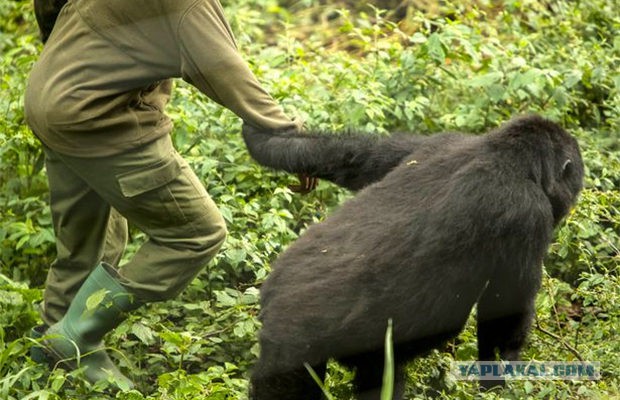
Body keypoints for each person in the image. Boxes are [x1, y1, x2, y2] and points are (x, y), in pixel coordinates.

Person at [25, 0, 316, 389]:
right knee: (196, 233)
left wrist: (67, 51)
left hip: (49, 96)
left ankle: (50, 340)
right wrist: (288, 137)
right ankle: (75, 336)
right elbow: (221, 67)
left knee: (91, 235)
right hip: (101, 117)